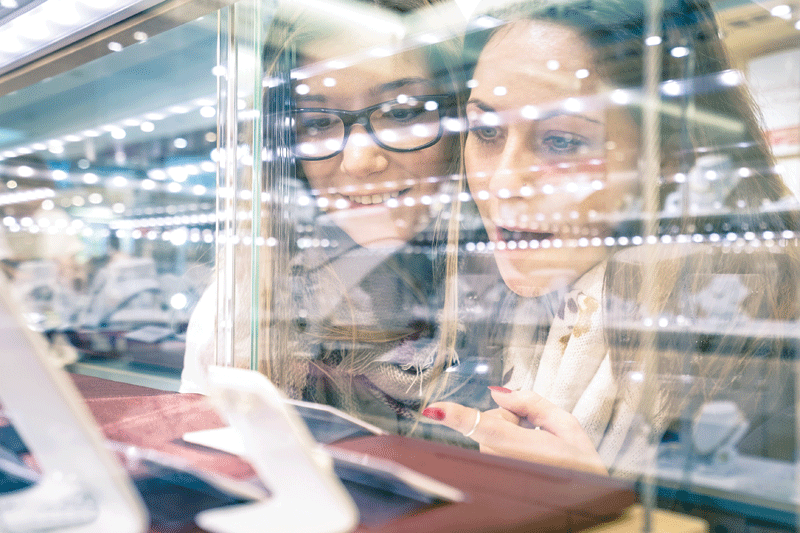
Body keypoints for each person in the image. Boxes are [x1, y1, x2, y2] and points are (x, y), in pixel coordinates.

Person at [422, 0, 800, 476]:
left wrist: (600, 507)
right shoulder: (495, 309)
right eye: (487, 130)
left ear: (670, 157)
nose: (501, 183)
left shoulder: (764, 331)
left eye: (561, 141)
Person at [181, 0, 475, 436]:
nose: (359, 160)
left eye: (401, 112)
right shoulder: (239, 312)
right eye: (317, 122)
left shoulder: (522, 302)